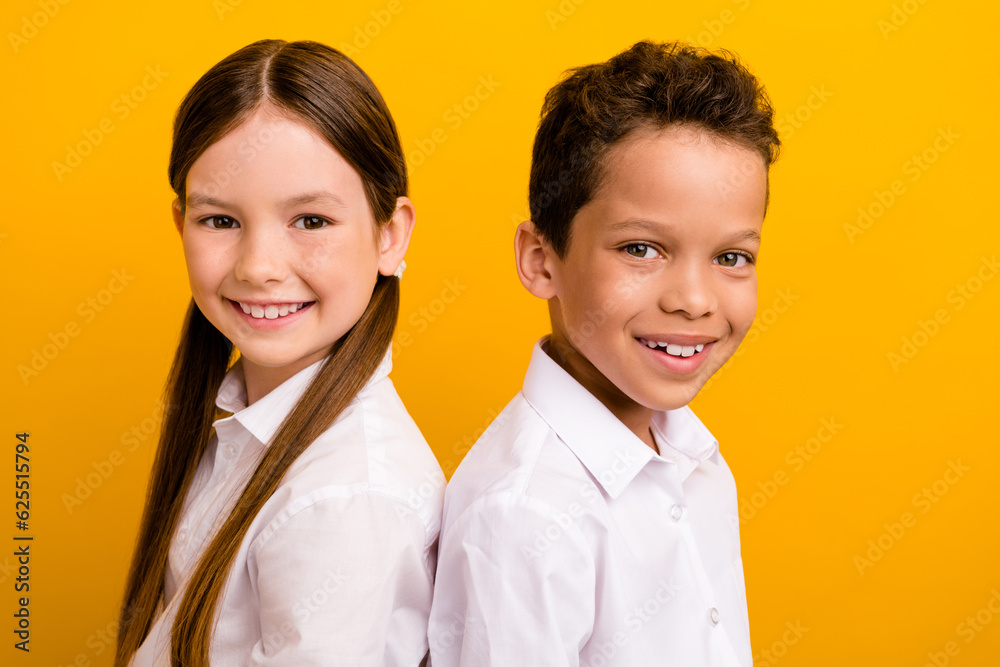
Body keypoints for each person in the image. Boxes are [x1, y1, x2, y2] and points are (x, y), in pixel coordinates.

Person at [428, 40, 780, 666]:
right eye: (642, 249)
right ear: (542, 260)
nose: (695, 301)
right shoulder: (523, 516)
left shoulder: (695, 458)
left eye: (731, 258)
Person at [115, 39, 444, 667]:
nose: (260, 268)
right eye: (219, 221)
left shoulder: (344, 501)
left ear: (390, 235)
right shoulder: (242, 419)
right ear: (180, 223)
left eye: (311, 221)